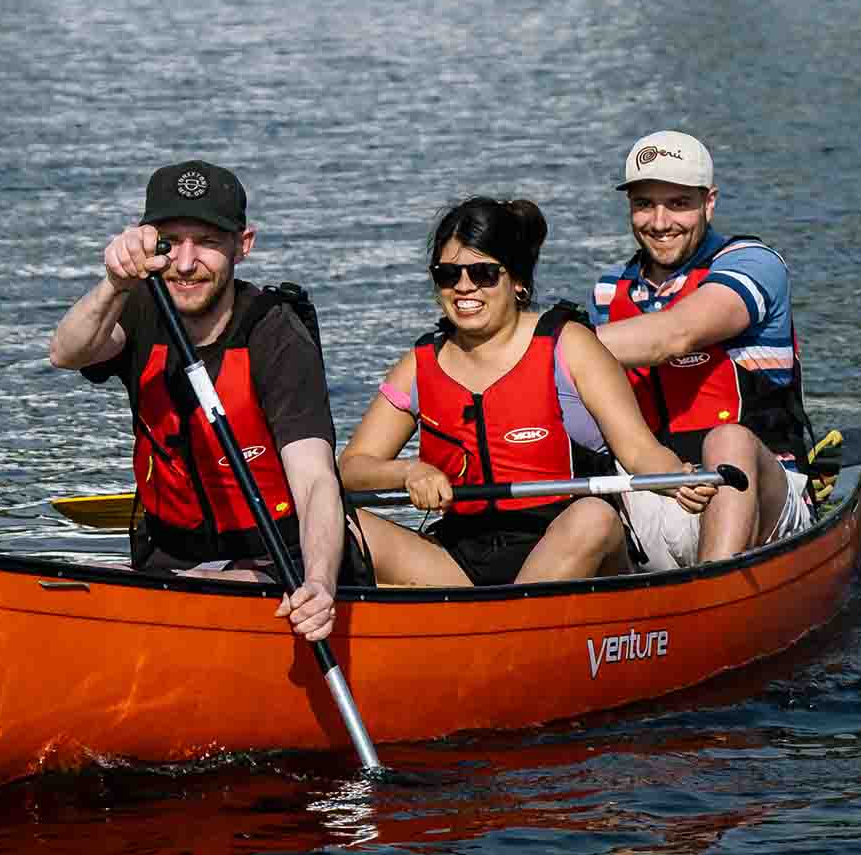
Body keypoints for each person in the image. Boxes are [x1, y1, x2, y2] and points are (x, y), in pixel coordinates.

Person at [337, 196, 713, 588]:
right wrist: (408, 471)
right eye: (448, 274)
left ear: (517, 281)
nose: (464, 288)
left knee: (593, 517)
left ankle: (497, 629)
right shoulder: (419, 363)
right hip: (459, 559)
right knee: (333, 520)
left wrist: (678, 477)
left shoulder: (569, 345)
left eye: (483, 273)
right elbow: (351, 467)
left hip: (568, 540)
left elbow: (639, 451)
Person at [48, 159, 343, 642]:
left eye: (206, 242)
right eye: (169, 243)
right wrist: (115, 283)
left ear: (242, 246)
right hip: (167, 557)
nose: (185, 264)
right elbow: (67, 352)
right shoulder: (140, 308)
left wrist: (317, 584)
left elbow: (314, 479)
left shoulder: (276, 336)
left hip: (274, 560)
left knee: (201, 589)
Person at [591, 130, 817, 570]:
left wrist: (540, 345)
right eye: (644, 204)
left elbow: (673, 336)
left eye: (678, 204)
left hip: (758, 495)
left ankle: (716, 593)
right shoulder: (608, 291)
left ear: (708, 203)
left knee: (728, 439)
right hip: (654, 489)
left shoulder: (754, 263)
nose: (659, 222)